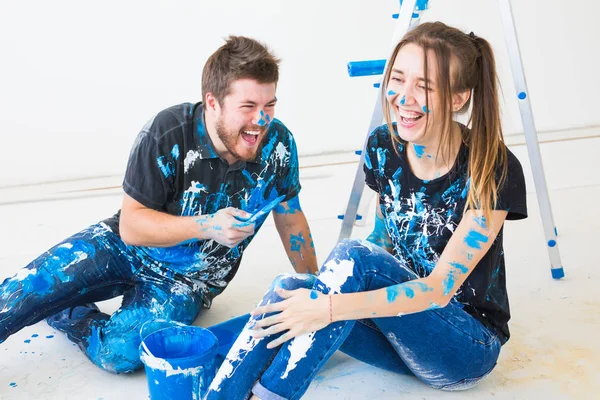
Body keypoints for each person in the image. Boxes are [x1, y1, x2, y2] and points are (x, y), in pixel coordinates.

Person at [203, 22, 527, 400]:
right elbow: (381, 244)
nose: (403, 98)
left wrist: (328, 305)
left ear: (457, 98)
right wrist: (318, 295)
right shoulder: (384, 146)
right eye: (399, 79)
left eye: (424, 86)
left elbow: (438, 290)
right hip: (398, 330)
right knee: (292, 290)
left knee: (345, 268)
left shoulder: (493, 167)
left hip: (462, 348)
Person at [0, 36, 318, 374]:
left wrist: (316, 287)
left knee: (118, 354)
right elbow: (132, 227)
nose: (262, 119)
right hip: (123, 246)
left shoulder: (279, 146)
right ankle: (55, 296)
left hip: (187, 282)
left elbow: (290, 216)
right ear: (212, 102)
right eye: (248, 107)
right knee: (20, 292)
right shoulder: (168, 132)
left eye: (269, 105)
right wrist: (208, 225)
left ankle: (68, 311)